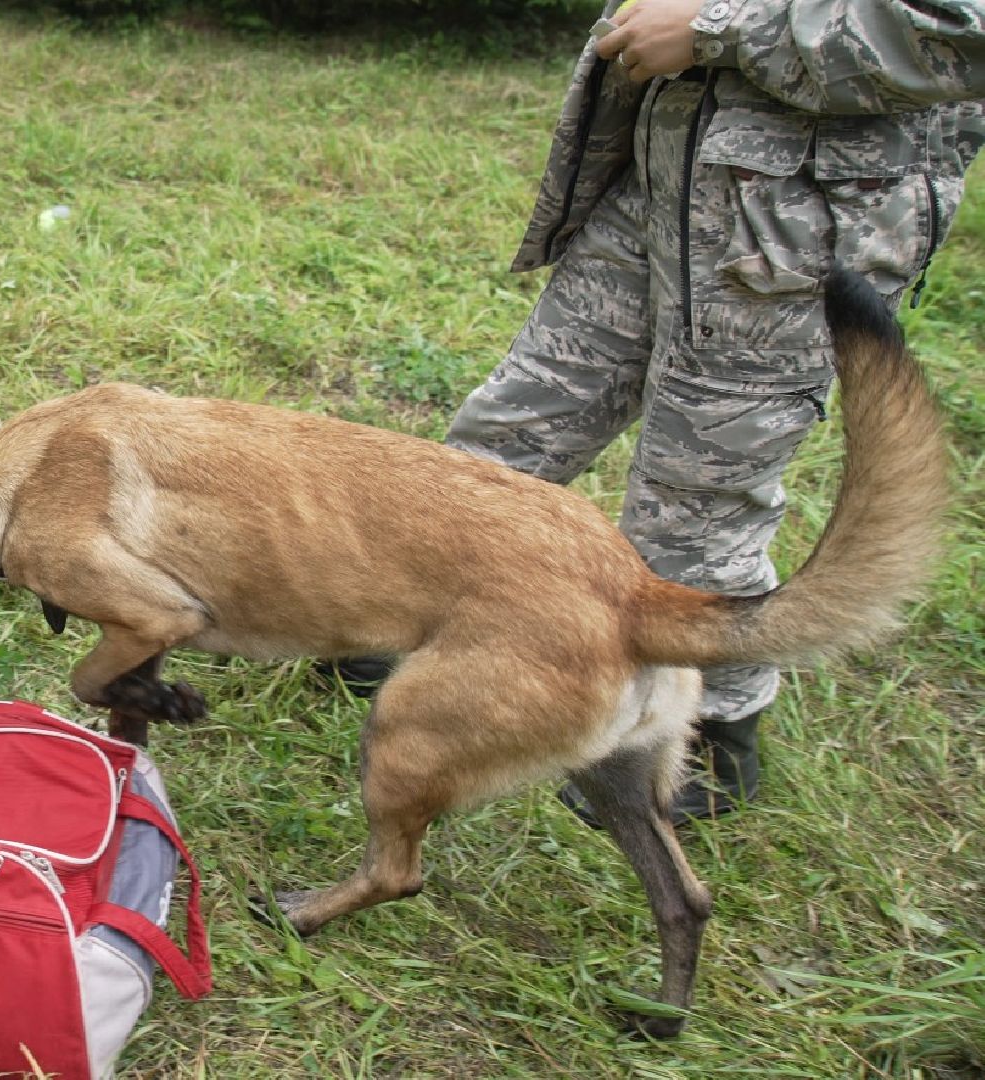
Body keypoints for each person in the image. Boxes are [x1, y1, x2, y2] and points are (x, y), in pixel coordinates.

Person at [324, 0, 985, 825]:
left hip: (791, 226)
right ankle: (415, 626)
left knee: (692, 510)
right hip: (662, 176)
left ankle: (710, 732)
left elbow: (958, 29)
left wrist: (716, 28)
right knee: (505, 434)